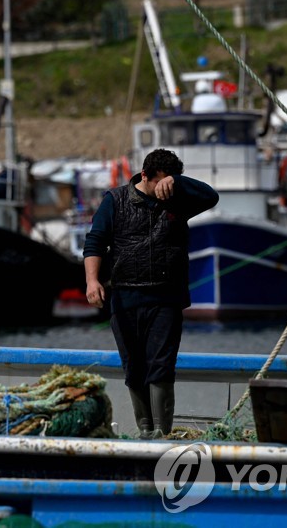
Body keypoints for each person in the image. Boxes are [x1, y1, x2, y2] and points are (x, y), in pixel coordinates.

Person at [83, 148, 218, 439]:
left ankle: (162, 431)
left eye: (171, 181)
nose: (165, 188)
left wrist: (178, 184)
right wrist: (92, 282)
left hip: (166, 298)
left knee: (161, 364)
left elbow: (211, 197)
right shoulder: (115, 201)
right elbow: (94, 243)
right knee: (134, 367)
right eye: (162, 181)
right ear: (145, 176)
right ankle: (145, 429)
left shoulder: (178, 200)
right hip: (125, 297)